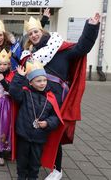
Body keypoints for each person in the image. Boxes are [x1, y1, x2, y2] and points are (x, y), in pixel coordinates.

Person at [19, 15, 100, 180]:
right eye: (31, 34)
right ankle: (31, 165)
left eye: (36, 32)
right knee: (35, 131)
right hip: (35, 99)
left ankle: (57, 169)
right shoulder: (30, 55)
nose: (34, 35)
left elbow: (82, 48)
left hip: (55, 100)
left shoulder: (59, 49)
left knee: (53, 133)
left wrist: (91, 27)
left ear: (42, 31)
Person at [9, 62, 62, 180]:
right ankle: (21, 177)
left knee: (35, 162)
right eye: (38, 81)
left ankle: (33, 177)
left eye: (44, 80)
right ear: (30, 82)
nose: (42, 83)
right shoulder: (25, 93)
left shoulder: (51, 97)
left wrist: (48, 123)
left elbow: (55, 117)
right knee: (22, 161)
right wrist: (19, 76)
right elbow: (13, 91)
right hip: (24, 134)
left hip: (39, 137)